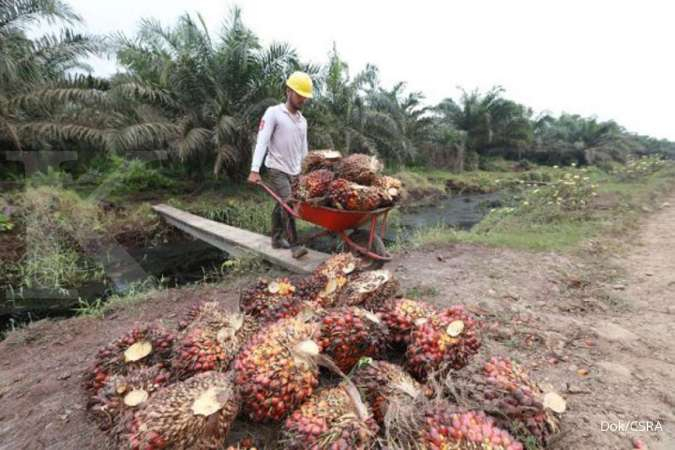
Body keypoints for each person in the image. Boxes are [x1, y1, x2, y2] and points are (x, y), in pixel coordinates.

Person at [247, 71, 313, 258]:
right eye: (299, 95)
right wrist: (254, 169)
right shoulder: (274, 113)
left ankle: (276, 238)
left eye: (305, 97)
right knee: (289, 203)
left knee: (281, 202)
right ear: (288, 91)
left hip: (295, 171)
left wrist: (306, 171)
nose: (303, 99)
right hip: (276, 168)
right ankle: (295, 246)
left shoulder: (302, 121)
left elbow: (303, 149)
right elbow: (262, 141)